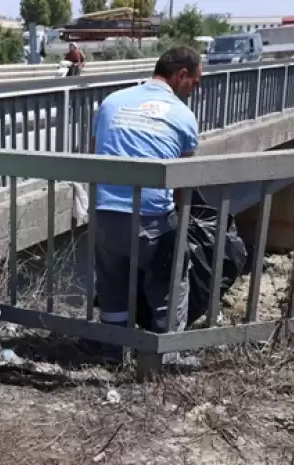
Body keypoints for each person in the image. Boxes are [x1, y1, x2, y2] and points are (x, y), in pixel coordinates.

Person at [90, 46, 202, 358]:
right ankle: (165, 355)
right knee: (170, 278)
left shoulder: (111, 102)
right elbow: (182, 178)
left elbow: (94, 154)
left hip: (105, 211)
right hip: (150, 217)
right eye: (196, 81)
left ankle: (113, 349)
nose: (196, 88)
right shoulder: (183, 115)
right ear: (181, 76)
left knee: (112, 282)